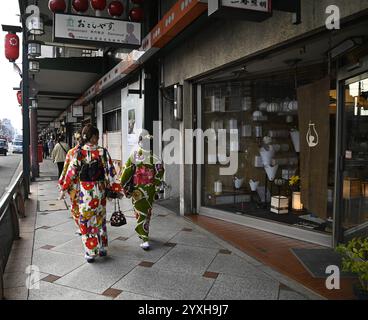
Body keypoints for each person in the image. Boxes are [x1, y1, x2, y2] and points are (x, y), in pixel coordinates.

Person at [59, 125, 121, 263]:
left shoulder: (79, 153)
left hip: (86, 192)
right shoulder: (102, 152)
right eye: (96, 136)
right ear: (91, 137)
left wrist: (64, 188)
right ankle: (102, 247)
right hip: (100, 192)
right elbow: (111, 172)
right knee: (100, 219)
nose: (98, 138)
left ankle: (90, 251)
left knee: (86, 221)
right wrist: (116, 189)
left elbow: (71, 172)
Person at [120, 134, 164, 250]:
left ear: (140, 142)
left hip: (137, 189)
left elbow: (126, 173)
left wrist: (123, 185)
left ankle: (145, 238)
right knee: (147, 211)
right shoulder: (155, 157)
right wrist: (156, 186)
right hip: (149, 188)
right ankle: (143, 231)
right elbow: (159, 173)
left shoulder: (134, 156)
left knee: (140, 211)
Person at [58, 131, 82, 233]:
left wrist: (62, 183)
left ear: (76, 140)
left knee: (75, 205)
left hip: (74, 185)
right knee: (87, 205)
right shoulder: (96, 151)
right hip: (91, 184)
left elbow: (66, 169)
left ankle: (81, 226)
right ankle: (87, 225)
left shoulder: (72, 152)